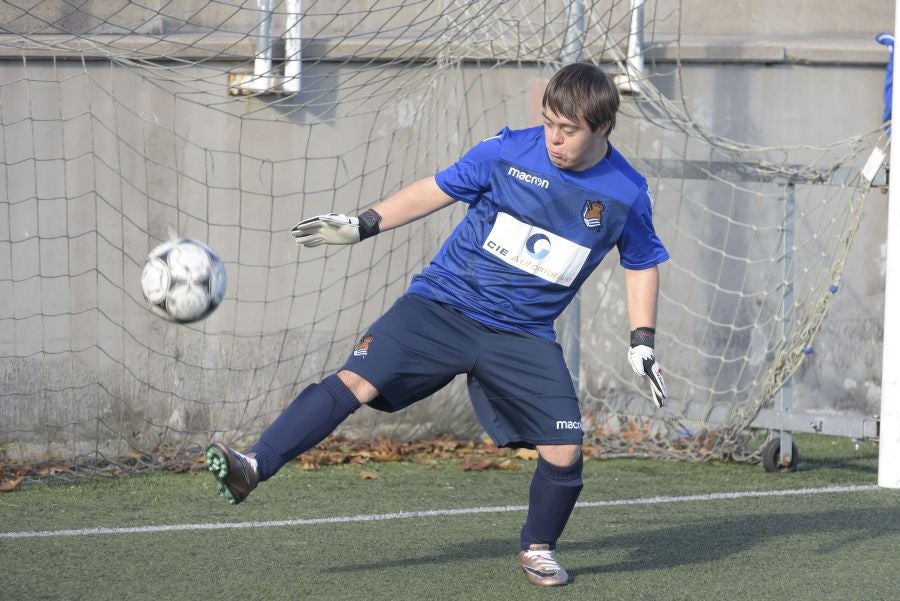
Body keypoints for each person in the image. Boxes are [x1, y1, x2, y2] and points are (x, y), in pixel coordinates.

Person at [205, 62, 669, 587]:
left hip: (521, 334)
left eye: (569, 130)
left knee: (564, 448)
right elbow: (437, 188)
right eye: (548, 123)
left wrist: (642, 340)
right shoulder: (506, 151)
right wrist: (364, 223)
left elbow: (641, 260)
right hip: (442, 305)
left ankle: (539, 548)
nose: (555, 139)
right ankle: (252, 466)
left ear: (603, 128)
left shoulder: (626, 191)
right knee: (355, 380)